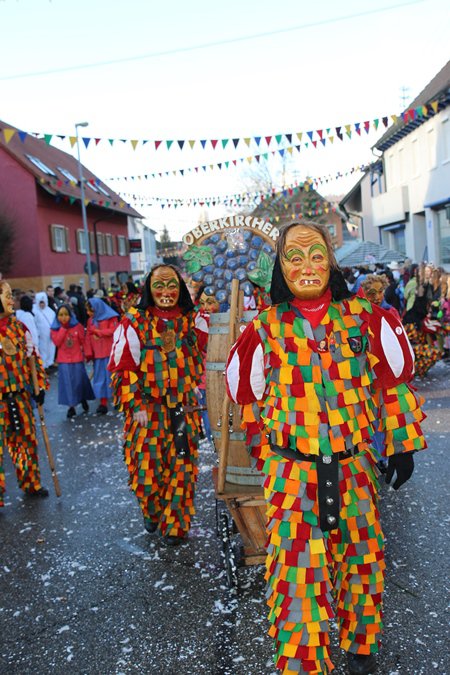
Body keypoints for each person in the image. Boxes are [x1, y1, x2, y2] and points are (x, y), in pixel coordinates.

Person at [225, 222, 426, 675]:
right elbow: (246, 398)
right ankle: (304, 662)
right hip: (293, 474)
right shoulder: (263, 329)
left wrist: (401, 444)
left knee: (361, 557)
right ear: (281, 266)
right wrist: (267, 456)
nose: (307, 266)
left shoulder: (369, 317)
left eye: (316, 254)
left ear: (331, 261)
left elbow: (392, 383)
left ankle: (361, 643)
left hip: (353, 466)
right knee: (297, 575)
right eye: (294, 257)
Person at [108, 264, 207, 545]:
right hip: (147, 410)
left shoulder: (192, 319)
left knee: (182, 468)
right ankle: (151, 508)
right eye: (159, 286)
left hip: (183, 409)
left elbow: (213, 343)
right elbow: (123, 366)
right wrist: (135, 403)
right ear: (149, 289)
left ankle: (175, 526)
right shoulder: (134, 322)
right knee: (146, 470)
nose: (166, 292)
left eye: (172, 285)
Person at [0, 280, 49, 506]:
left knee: (25, 441)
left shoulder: (19, 328)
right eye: (7, 296)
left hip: (20, 396)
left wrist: (38, 387)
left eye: (12, 295)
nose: (12, 300)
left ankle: (31, 482)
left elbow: (33, 358)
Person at [50, 304, 95, 418]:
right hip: (64, 361)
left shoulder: (77, 326)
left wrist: (88, 354)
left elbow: (83, 341)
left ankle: (82, 398)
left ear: (70, 315)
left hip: (77, 359)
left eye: (66, 314)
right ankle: (71, 406)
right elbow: (57, 342)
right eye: (61, 315)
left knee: (80, 381)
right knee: (68, 384)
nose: (64, 317)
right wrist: (63, 329)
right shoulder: (55, 328)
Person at [85, 297, 119, 414]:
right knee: (99, 379)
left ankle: (117, 399)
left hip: (110, 353)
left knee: (113, 378)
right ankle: (103, 403)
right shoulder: (91, 321)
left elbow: (114, 330)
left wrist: (98, 332)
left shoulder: (111, 317)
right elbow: (88, 337)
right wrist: (89, 353)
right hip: (98, 355)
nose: (88, 313)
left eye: (91, 310)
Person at [33, 291, 56, 370]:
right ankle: (44, 365)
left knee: (51, 347)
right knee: (43, 349)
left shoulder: (49, 311)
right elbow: (34, 323)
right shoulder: (35, 311)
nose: (42, 305)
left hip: (51, 333)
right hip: (42, 334)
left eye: (43, 302)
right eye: (40, 303)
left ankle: (50, 362)